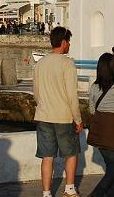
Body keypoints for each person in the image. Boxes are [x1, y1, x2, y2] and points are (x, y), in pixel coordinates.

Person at [33, 26, 83, 197]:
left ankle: (46, 193)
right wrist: (78, 120)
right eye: (68, 41)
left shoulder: (40, 63)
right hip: (63, 116)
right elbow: (72, 95)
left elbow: (36, 92)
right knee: (71, 153)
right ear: (63, 42)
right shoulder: (67, 63)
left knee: (47, 157)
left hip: (43, 115)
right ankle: (69, 189)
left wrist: (43, 106)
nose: (69, 45)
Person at [87, 53, 114, 197]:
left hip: (99, 130)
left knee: (110, 165)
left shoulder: (93, 87)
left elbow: (92, 110)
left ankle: (112, 194)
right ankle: (96, 194)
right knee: (113, 169)